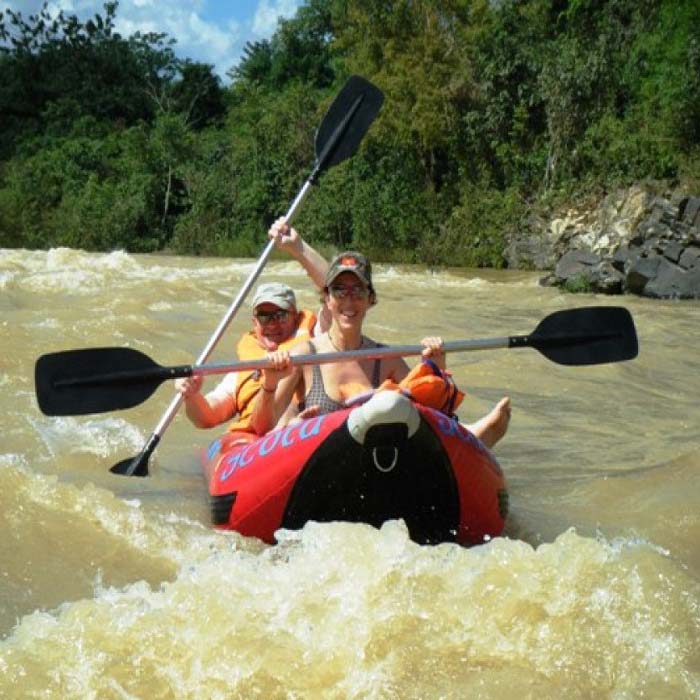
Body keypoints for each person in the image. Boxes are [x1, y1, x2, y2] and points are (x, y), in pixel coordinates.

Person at [249, 241, 511, 448]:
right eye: (340, 291)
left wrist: (436, 367)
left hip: (371, 462)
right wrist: (270, 383)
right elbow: (261, 428)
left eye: (358, 291)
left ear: (370, 299)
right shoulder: (304, 355)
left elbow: (429, 416)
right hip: (316, 462)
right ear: (327, 299)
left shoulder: (385, 359)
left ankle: (474, 437)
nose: (349, 301)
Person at [174, 218, 330, 431]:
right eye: (265, 316)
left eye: (281, 315)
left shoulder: (315, 338)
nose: (273, 324)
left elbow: (334, 294)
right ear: (254, 323)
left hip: (302, 427)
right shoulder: (242, 369)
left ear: (295, 317)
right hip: (256, 444)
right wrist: (191, 396)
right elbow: (206, 417)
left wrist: (298, 248)